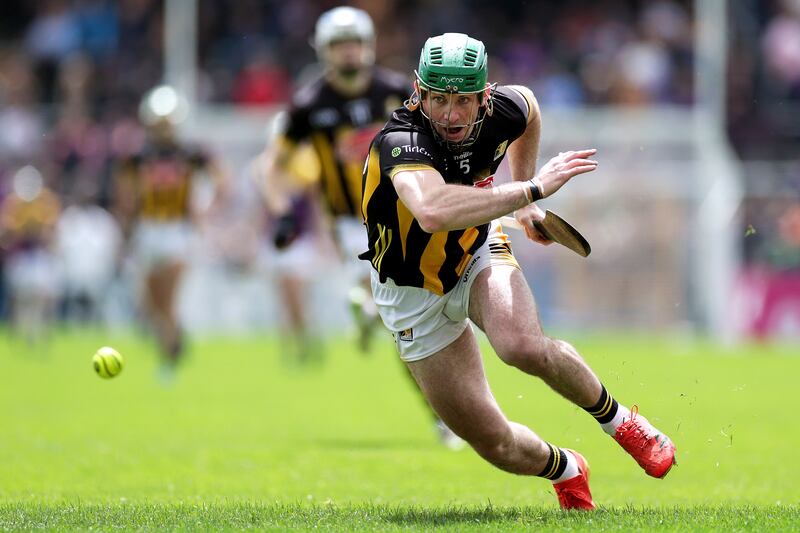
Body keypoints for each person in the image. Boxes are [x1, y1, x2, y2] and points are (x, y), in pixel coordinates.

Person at [360, 32, 677, 510]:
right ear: (418, 93)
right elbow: (430, 211)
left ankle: (625, 425)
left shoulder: (502, 108)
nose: (449, 114)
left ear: (483, 97)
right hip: (410, 293)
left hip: (476, 251)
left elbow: (529, 109)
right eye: (438, 98)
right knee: (491, 440)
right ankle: (566, 467)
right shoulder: (402, 140)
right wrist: (529, 191)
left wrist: (523, 204)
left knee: (521, 345)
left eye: (462, 100)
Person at [260, 7, 464, 449]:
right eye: (339, 44)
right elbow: (269, 168)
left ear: (368, 45)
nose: (348, 52)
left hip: (411, 214)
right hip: (354, 223)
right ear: (324, 49)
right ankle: (440, 412)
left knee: (425, 322)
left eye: (354, 42)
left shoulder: (397, 91)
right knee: (405, 326)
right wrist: (280, 212)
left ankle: (368, 307)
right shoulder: (309, 105)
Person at [113, 85, 225, 380]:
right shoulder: (138, 155)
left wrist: (206, 209)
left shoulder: (191, 153)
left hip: (179, 230)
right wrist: (124, 233)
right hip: (148, 229)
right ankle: (174, 340)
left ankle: (169, 359)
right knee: (151, 302)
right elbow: (125, 197)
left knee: (168, 298)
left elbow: (223, 182)